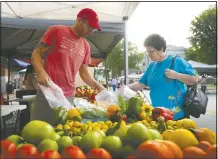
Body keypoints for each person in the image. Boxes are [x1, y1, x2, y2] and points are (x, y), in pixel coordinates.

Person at [31, 8, 105, 124]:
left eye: (94, 29)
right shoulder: (56, 31)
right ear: (79, 20)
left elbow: (84, 74)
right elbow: (36, 53)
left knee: (63, 134)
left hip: (69, 96)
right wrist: (41, 72)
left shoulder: (86, 46)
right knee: (37, 133)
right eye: (90, 27)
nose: (91, 31)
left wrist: (99, 87)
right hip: (48, 93)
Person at [127, 34, 200, 120]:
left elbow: (196, 79)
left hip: (177, 116)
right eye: (147, 52)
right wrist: (125, 87)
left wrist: (176, 75)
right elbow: (141, 84)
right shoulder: (152, 66)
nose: (148, 54)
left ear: (161, 48)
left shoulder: (177, 61)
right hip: (158, 115)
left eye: (151, 51)